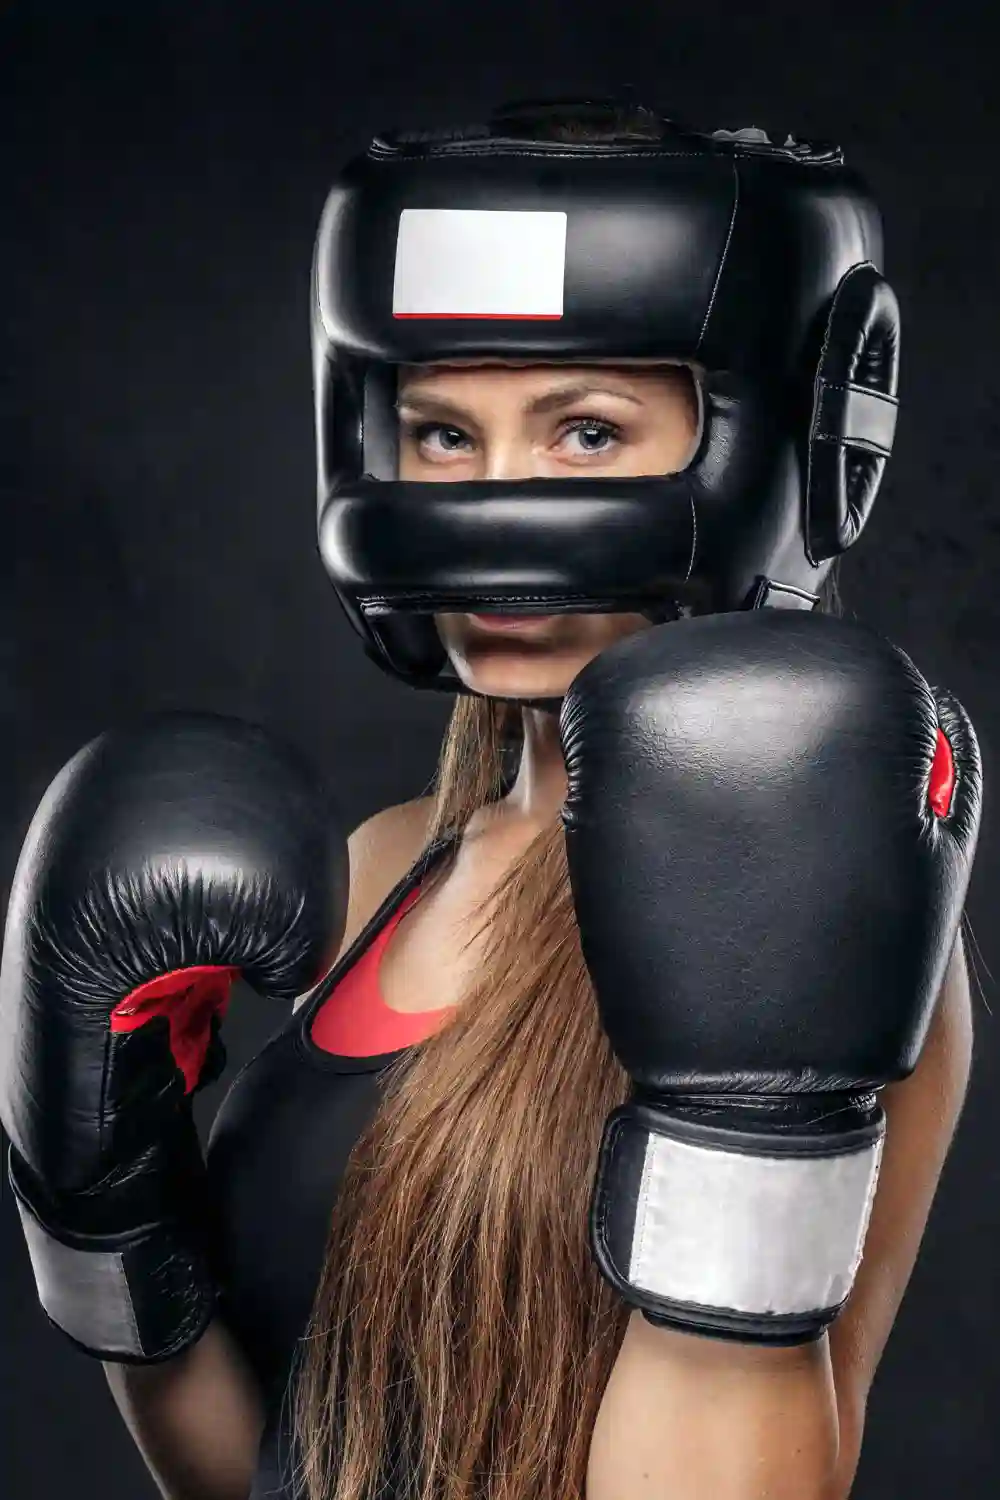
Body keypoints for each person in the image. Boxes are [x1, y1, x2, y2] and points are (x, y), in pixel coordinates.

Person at [0, 100, 982, 1500]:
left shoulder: (832, 908)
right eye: (444, 434)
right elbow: (265, 1466)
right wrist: (108, 1221)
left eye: (587, 432)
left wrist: (745, 1152)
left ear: (791, 442)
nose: (494, 500)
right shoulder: (384, 861)